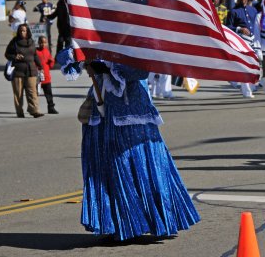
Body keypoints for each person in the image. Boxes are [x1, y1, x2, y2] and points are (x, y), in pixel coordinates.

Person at [79, 59, 200, 241]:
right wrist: (82, 56)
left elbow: (141, 69)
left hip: (131, 113)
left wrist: (108, 67)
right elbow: (67, 58)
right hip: (101, 113)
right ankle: (117, 224)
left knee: (133, 165)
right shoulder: (97, 37)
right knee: (107, 169)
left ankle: (150, 220)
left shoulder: (134, 38)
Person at [5, 23, 44, 118]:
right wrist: (15, 56)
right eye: (21, 30)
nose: (23, 32)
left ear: (28, 32)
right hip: (18, 71)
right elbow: (7, 54)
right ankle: (20, 112)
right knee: (18, 93)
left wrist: (40, 66)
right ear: (18, 32)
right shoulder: (14, 42)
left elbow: (34, 55)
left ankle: (34, 111)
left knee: (32, 92)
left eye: (25, 30)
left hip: (31, 70)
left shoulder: (31, 42)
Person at [226, 0, 258, 98]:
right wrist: (240, 29)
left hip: (253, 40)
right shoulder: (233, 11)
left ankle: (238, 80)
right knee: (245, 65)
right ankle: (247, 90)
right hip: (240, 41)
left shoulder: (253, 10)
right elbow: (228, 27)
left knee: (256, 63)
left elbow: (257, 23)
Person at [36, 36, 58, 114]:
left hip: (46, 77)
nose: (43, 44)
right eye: (41, 42)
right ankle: (35, 109)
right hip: (37, 78)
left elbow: (51, 64)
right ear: (38, 43)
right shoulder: (35, 52)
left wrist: (51, 61)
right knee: (35, 94)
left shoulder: (47, 51)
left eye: (45, 42)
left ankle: (51, 108)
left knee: (49, 94)